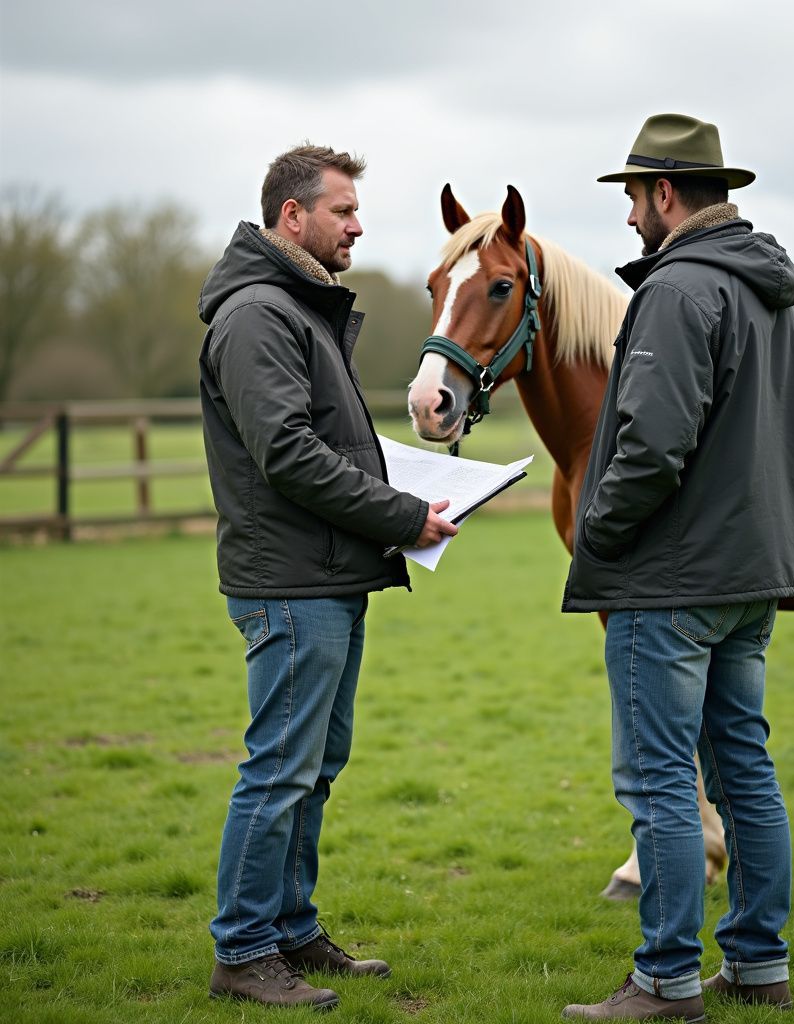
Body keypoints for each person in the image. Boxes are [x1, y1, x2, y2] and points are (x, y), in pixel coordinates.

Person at [561, 114, 794, 1021]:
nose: (631, 215)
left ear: (665, 194)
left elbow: (651, 445)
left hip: (668, 583)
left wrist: (596, 530)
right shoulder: (784, 295)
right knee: (743, 768)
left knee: (661, 779)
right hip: (753, 578)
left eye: (634, 196)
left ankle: (666, 981)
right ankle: (759, 967)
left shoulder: (675, 293)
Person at [198, 144, 458, 1010]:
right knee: (279, 768)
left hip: (329, 577)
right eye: (343, 210)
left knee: (315, 766)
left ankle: (292, 929)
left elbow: (330, 444)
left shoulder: (300, 309)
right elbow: (288, 455)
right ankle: (242, 952)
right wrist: (401, 516)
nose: (358, 224)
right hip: (290, 583)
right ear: (291, 217)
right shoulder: (257, 315)